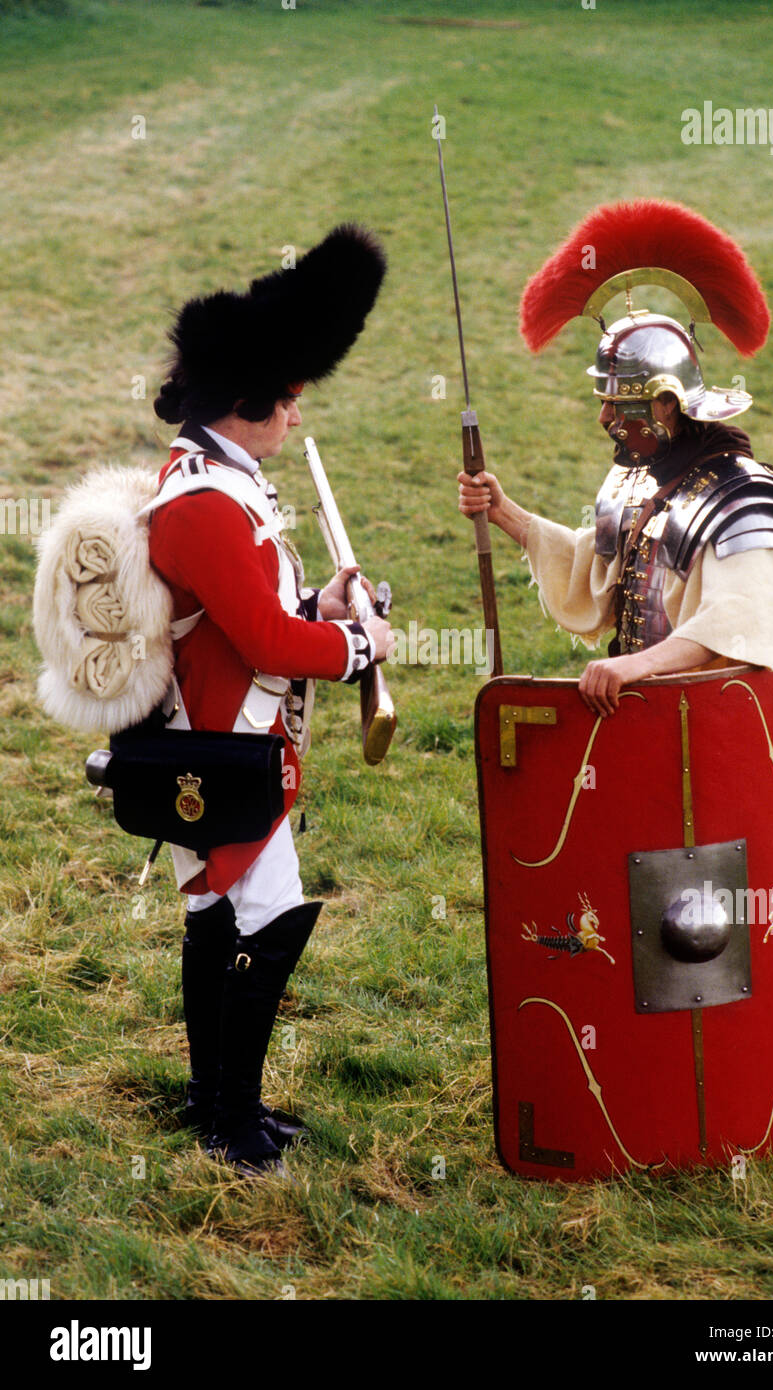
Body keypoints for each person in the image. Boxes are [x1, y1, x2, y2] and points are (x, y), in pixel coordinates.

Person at [147, 224, 393, 1173]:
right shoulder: (208, 500)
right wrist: (355, 641)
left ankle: (218, 1106)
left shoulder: (218, 482)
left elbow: (251, 613)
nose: (297, 417)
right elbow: (262, 643)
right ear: (247, 403)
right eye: (288, 400)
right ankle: (232, 1124)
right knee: (263, 918)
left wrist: (318, 605)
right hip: (220, 744)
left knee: (220, 919)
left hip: (227, 734)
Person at [458, 199, 773, 715]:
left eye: (617, 405)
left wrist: (633, 666)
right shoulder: (639, 483)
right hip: (648, 717)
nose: (604, 419)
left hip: (709, 724)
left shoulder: (744, 502)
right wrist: (503, 511)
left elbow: (737, 626)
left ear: (666, 403)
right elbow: (592, 568)